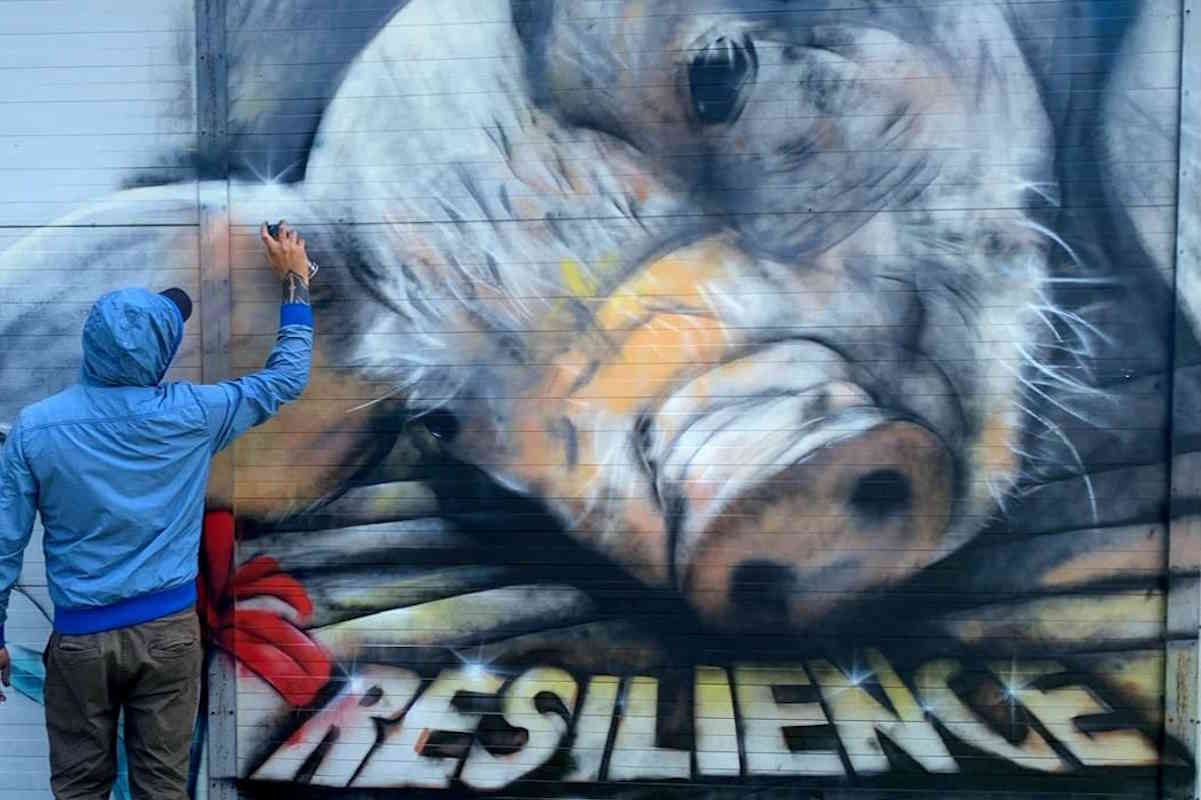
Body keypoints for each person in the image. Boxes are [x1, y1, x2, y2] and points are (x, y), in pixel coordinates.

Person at [0, 222, 315, 799]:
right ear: (162, 353)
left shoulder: (36, 429)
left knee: (78, 789)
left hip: (79, 642)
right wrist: (294, 281)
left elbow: (5, 542)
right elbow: (285, 378)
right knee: (162, 788)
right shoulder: (192, 414)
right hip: (167, 636)